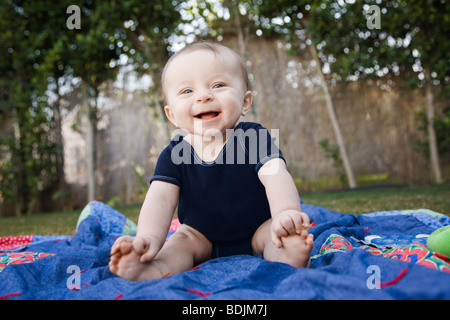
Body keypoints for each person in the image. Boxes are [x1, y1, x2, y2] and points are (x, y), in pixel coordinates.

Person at [109, 42, 314, 281]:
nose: (204, 96)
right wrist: (148, 238)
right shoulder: (175, 153)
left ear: (245, 102)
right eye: (187, 91)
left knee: (276, 237)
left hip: (257, 229)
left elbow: (276, 174)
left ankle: (290, 256)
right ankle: (150, 268)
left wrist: (285, 213)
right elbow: (160, 198)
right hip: (200, 236)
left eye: (218, 85)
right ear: (172, 115)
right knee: (179, 244)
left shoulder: (254, 137)